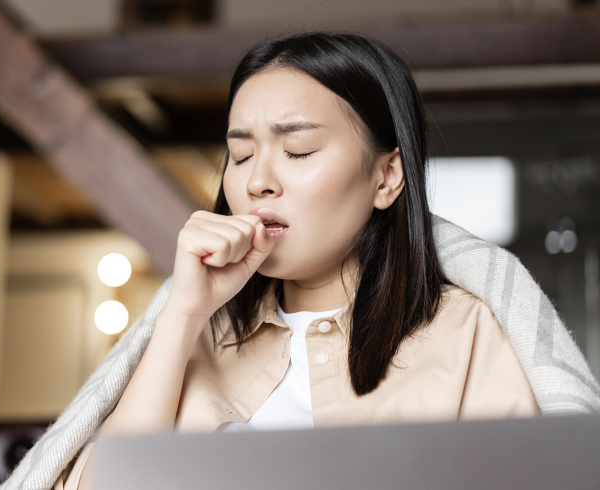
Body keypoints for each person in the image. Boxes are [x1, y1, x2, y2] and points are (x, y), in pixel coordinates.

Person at [59, 31, 540, 490]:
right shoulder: (197, 335)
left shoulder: (467, 332)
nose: (256, 183)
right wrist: (183, 313)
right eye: (241, 155)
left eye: (298, 149)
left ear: (387, 176)